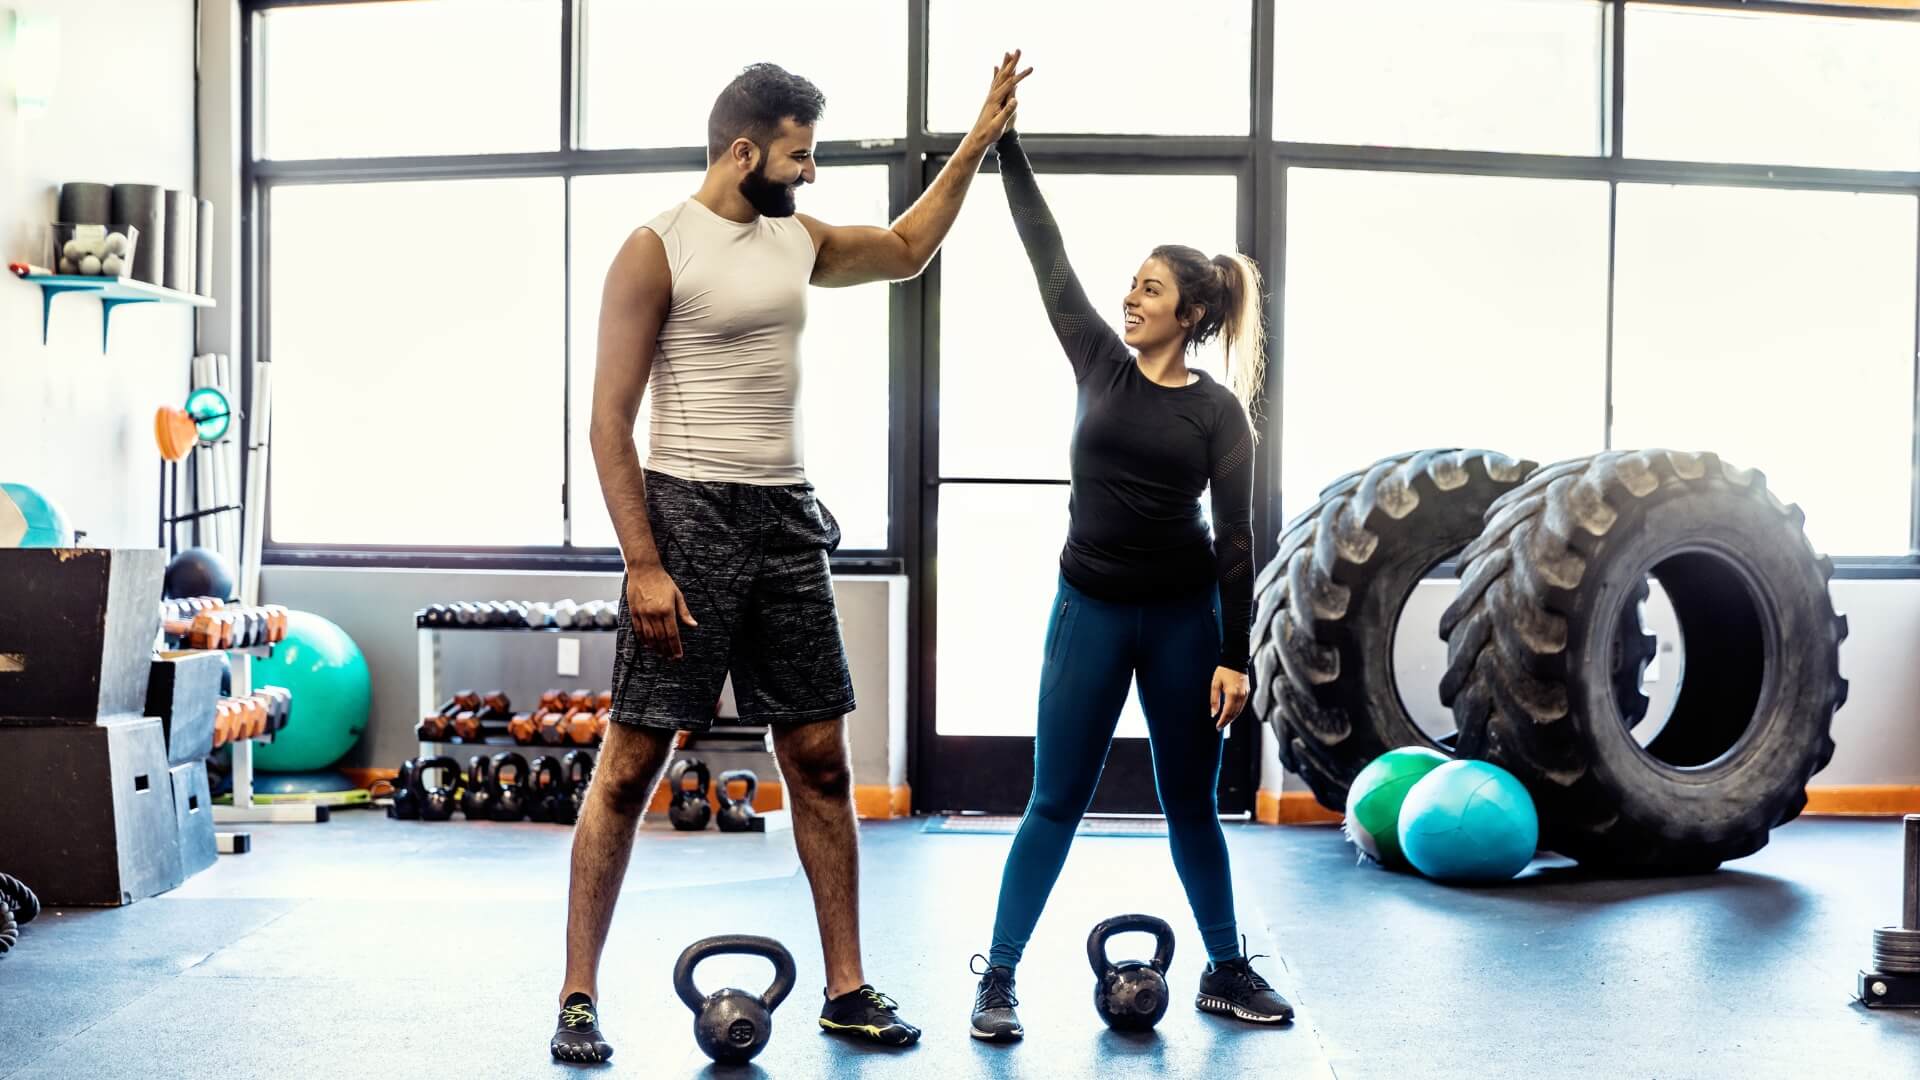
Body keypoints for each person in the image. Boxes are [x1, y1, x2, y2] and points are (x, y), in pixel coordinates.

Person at [551, 54, 1030, 1064]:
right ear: (743, 150)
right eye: (799, 155)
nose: (810, 174)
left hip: (785, 522)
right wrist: (643, 563)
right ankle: (578, 996)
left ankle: (846, 990)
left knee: (817, 759)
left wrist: (976, 145)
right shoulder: (657, 249)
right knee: (634, 762)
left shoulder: (794, 239)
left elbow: (903, 249)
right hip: (685, 518)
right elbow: (605, 422)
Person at [966, 103, 1293, 1042]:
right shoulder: (1099, 365)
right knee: (1053, 801)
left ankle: (1226, 970)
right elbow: (1047, 255)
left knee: (1190, 802)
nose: (1131, 298)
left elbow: (1238, 541)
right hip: (1091, 613)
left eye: (1151, 290)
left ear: (1189, 314)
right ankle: (1000, 979)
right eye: (1134, 286)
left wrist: (1236, 657)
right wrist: (1006, 148)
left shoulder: (1221, 415)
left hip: (1186, 620)